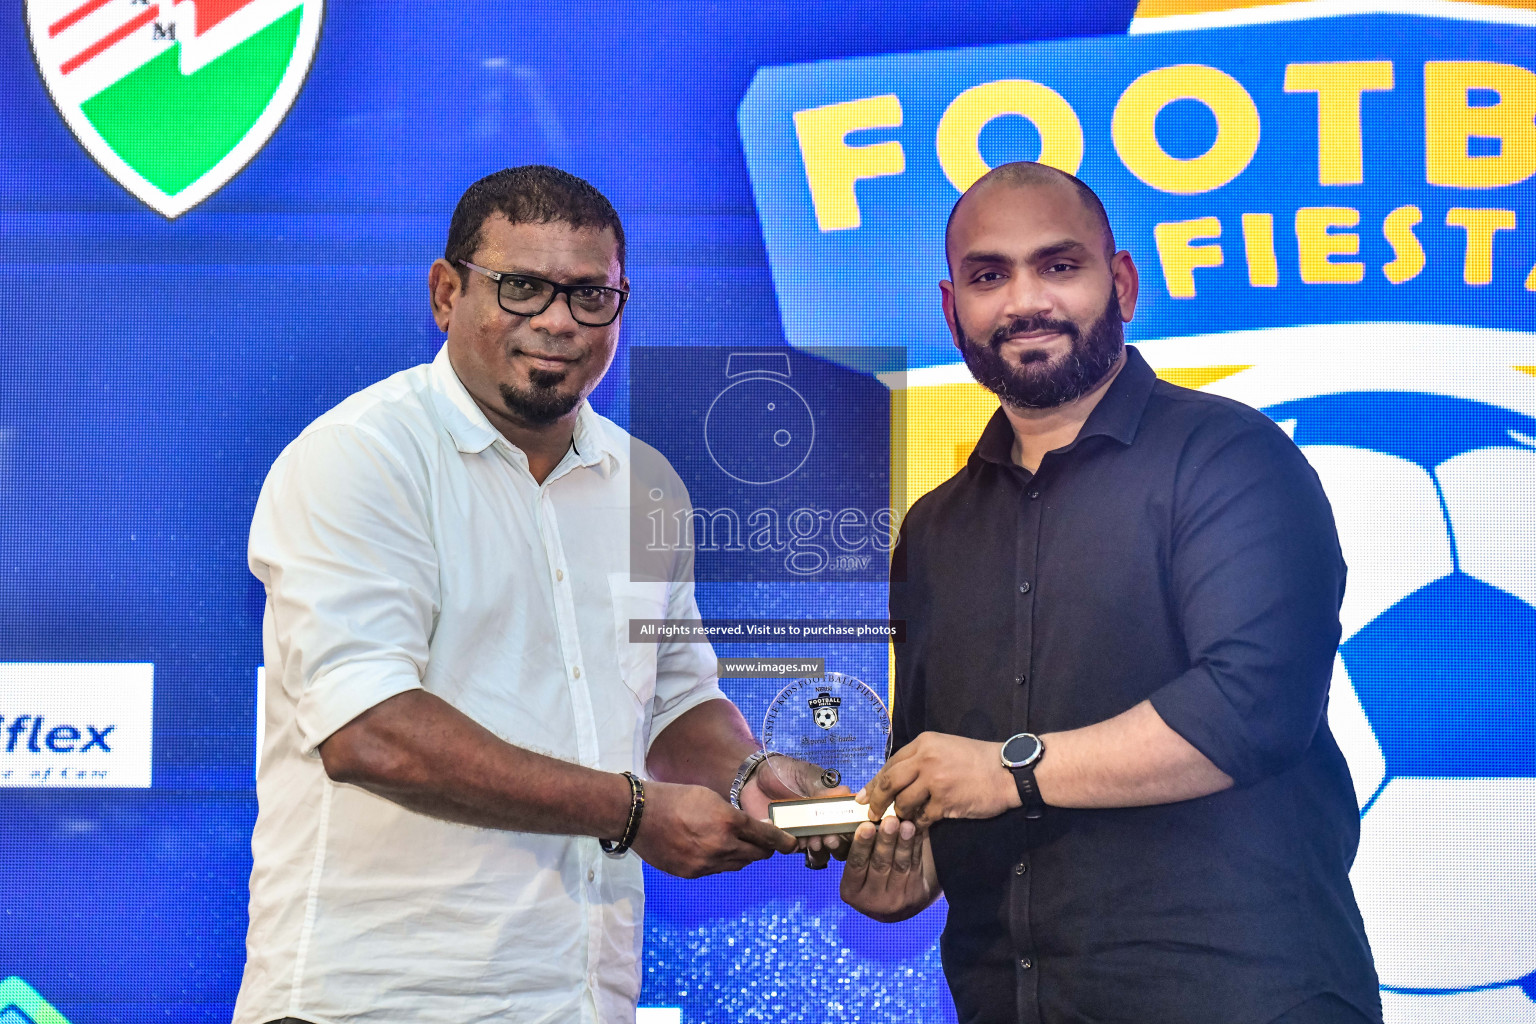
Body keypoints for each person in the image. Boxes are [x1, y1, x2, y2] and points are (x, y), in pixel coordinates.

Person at [232, 165, 807, 1024]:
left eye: (589, 296)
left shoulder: (644, 485)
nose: (558, 323)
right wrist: (633, 811)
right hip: (372, 999)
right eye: (523, 287)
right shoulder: (359, 459)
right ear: (445, 292)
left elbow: (678, 701)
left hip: (579, 997)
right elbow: (369, 731)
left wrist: (753, 774)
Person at [838, 162, 1382, 1024]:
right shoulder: (934, 532)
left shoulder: (1230, 459)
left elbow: (1251, 708)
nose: (1024, 301)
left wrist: (1008, 771)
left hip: (1242, 999)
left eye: (1058, 266)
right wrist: (907, 863)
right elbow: (949, 779)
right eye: (989, 276)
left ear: (1121, 281)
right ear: (952, 311)